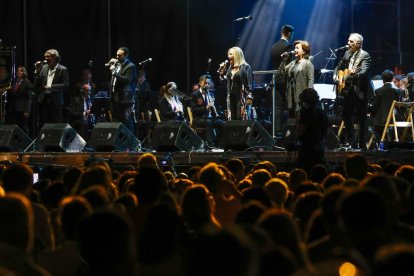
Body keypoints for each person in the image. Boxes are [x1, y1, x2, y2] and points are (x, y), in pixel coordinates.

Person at [335, 33, 371, 150]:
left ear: (358, 44)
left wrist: (353, 74)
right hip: (348, 90)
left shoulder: (365, 55)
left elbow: (363, 71)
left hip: (360, 91)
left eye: (351, 42)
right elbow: (339, 67)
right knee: (345, 115)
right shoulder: (347, 53)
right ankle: (353, 142)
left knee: (362, 118)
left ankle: (362, 145)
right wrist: (337, 76)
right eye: (348, 41)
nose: (348, 44)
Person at [296, 88, 328, 173]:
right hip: (319, 148)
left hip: (307, 150)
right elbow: (325, 130)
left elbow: (300, 132)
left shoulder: (305, 113)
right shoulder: (322, 113)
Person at [34, 49, 69, 126]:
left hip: (56, 100)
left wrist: (51, 87)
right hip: (44, 99)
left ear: (55, 58)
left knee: (57, 124)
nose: (46, 59)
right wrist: (37, 71)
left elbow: (66, 84)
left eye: (48, 57)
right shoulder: (44, 68)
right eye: (45, 57)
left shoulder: (62, 69)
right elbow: (37, 85)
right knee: (44, 123)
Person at [279, 40, 314, 117]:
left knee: (301, 119)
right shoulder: (293, 63)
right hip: (291, 96)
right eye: (294, 48)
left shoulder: (307, 63)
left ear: (304, 51)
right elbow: (281, 72)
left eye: (297, 48)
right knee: (292, 119)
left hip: (302, 97)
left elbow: (311, 81)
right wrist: (284, 60)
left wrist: (307, 98)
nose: (295, 50)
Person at [271, 25, 295, 136]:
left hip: (276, 79)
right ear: (289, 33)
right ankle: (289, 131)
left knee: (277, 107)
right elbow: (291, 65)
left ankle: (277, 131)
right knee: (289, 106)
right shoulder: (288, 46)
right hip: (286, 79)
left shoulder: (274, 46)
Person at [107, 46, 138, 134]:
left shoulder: (131, 66)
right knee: (115, 121)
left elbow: (127, 80)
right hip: (115, 97)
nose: (117, 57)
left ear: (126, 55)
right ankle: (118, 143)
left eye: (120, 55)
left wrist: (114, 73)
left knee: (126, 122)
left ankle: (131, 145)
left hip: (124, 99)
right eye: (117, 55)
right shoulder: (117, 64)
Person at [191, 75, 225, 147]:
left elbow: (213, 109)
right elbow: (194, 110)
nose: (207, 85)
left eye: (208, 83)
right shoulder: (195, 94)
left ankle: (216, 143)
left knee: (224, 124)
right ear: (200, 83)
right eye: (205, 83)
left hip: (210, 117)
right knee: (208, 122)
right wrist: (206, 108)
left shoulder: (211, 94)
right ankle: (210, 144)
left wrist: (214, 110)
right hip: (199, 118)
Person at [370, 70, 400, 143]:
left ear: (382, 80)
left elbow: (375, 107)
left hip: (381, 120)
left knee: (370, 121)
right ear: (392, 79)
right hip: (394, 118)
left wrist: (370, 111)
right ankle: (387, 141)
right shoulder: (397, 90)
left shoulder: (378, 91)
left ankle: (379, 143)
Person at [225, 46, 253, 120]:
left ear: (236, 55)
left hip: (241, 96)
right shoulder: (230, 68)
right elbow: (227, 82)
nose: (228, 56)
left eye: (230, 54)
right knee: (231, 118)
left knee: (240, 117)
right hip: (231, 96)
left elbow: (250, 83)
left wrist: (250, 96)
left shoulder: (246, 67)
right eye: (228, 54)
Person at [8, 66, 33, 135]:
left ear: (24, 72)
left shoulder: (27, 83)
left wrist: (27, 111)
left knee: (24, 127)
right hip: (15, 108)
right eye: (18, 71)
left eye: (21, 71)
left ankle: (28, 143)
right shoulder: (17, 82)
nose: (19, 72)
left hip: (23, 109)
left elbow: (29, 98)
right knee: (17, 127)